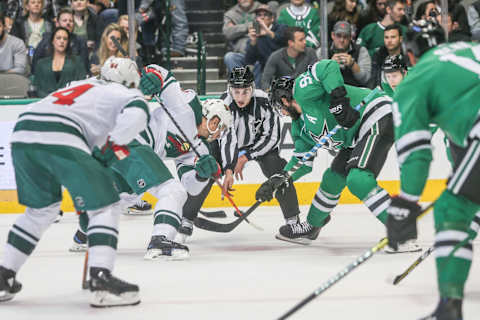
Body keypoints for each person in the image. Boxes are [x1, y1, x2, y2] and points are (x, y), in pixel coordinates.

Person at [0, 56, 149, 307]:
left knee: (41, 211)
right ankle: (101, 278)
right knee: (106, 205)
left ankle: (4, 275)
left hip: (23, 130)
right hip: (61, 134)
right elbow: (139, 112)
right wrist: (114, 145)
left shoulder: (78, 85)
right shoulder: (121, 92)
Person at [69, 65, 232, 257]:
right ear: (214, 121)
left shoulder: (199, 148)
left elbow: (191, 186)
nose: (219, 134)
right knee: (171, 190)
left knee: (122, 198)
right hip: (131, 141)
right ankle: (160, 241)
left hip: (119, 150)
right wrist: (153, 77)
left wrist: (200, 175)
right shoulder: (188, 106)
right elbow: (164, 79)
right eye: (221, 128)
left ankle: (84, 234)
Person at [257, 63, 419, 252]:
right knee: (332, 179)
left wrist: (338, 99)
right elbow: (302, 162)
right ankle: (311, 227)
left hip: (375, 112)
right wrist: (279, 179)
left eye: (280, 108)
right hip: (355, 136)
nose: (282, 113)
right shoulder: (299, 127)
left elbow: (327, 67)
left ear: (284, 100)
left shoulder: (302, 89)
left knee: (358, 179)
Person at [385, 20, 479, 320]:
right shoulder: (471, 49)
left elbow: (417, 153)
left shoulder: (416, 80)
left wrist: (405, 203)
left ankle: (449, 307)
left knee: (453, 209)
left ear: (410, 56)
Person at [175, 66, 302, 242]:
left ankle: (293, 221)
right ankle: (186, 218)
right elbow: (227, 139)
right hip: (224, 144)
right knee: (208, 168)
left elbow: (272, 137)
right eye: (236, 91)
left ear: (252, 87)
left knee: (279, 170)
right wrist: (228, 169)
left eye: (245, 91)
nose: (240, 97)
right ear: (229, 89)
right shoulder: (224, 103)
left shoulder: (265, 101)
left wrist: (246, 156)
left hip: (257, 146)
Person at [32, 7, 89, 74]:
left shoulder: (80, 41)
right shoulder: (47, 38)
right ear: (57, 24)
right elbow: (36, 62)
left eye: (71, 21)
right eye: (64, 20)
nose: (68, 23)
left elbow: (84, 66)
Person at [32, 27, 87, 97]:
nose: (62, 41)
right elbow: (37, 88)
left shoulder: (77, 61)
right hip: (46, 102)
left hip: (70, 102)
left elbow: (82, 84)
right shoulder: (41, 64)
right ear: (52, 41)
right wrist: (50, 98)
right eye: (58, 38)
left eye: (65, 39)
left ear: (68, 42)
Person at [261, 26, 317, 90]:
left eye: (305, 39)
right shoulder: (276, 56)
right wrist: (269, 94)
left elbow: (316, 75)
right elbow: (265, 80)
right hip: (284, 94)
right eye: (301, 40)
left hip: (305, 92)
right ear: (290, 43)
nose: (305, 42)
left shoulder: (310, 53)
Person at [245, 3, 286, 86]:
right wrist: (253, 41)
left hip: (281, 64)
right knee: (231, 56)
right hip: (262, 66)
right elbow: (249, 60)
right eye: (259, 15)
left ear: (272, 18)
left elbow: (280, 40)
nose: (262, 17)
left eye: (265, 15)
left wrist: (266, 31)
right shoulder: (255, 33)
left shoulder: (281, 27)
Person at [223, 0, 261, 75]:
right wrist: (247, 27)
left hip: (258, 53)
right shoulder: (230, 14)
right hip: (240, 53)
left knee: (263, 60)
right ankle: (240, 84)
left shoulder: (262, 10)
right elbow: (228, 33)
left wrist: (237, 29)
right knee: (229, 57)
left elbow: (264, 28)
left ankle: (257, 86)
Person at [328, 20, 371, 86]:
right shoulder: (324, 50)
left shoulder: (361, 51)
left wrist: (353, 65)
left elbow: (366, 79)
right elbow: (317, 78)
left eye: (345, 37)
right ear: (333, 35)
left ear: (351, 37)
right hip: (330, 89)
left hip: (355, 90)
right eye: (339, 36)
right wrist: (329, 65)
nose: (342, 40)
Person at [369, 23, 408, 88]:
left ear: (400, 39)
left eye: (393, 37)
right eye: (386, 37)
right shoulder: (379, 54)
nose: (389, 41)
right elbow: (373, 80)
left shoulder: (407, 55)